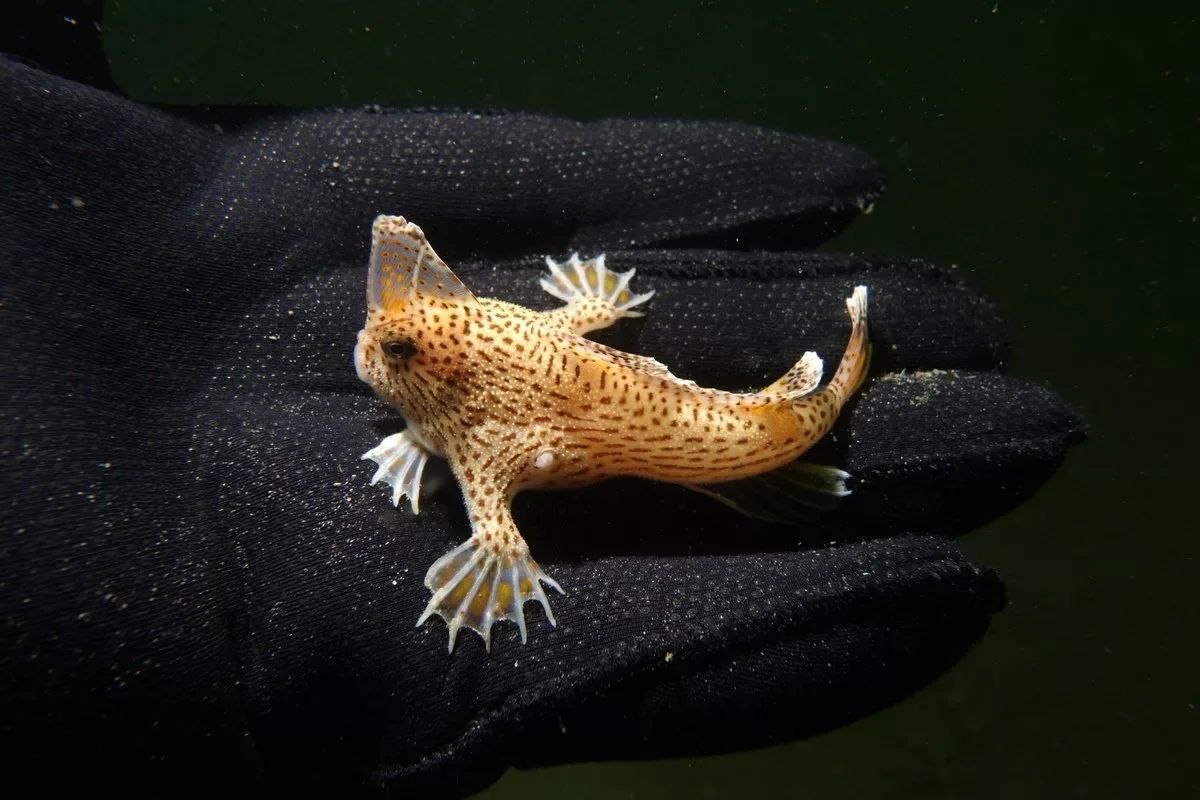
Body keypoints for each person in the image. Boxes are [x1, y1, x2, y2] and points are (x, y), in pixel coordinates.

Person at [0, 45, 1081, 798]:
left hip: (726, 430)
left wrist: (490, 553)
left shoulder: (490, 415)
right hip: (614, 380)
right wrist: (580, 315)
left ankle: (827, 387)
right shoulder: (499, 339)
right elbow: (572, 327)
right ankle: (825, 381)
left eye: (407, 340)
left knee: (746, 434)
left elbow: (498, 509)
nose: (377, 343)